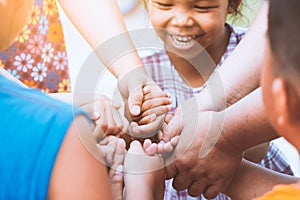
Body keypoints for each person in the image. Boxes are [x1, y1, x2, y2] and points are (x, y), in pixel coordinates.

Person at [138, 0, 293, 199]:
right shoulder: (145, 69)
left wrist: (224, 137)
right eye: (165, 5)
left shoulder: (256, 52)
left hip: (256, 184)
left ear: (232, 4)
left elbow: (259, 146)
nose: (182, 20)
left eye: (202, 8)